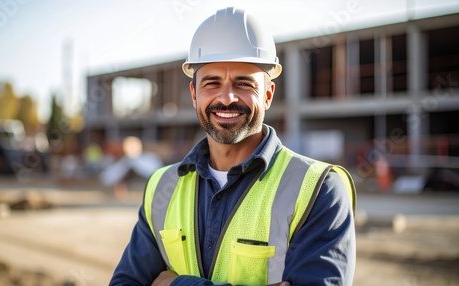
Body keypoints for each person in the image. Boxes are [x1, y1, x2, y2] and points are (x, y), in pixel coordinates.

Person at [110, 7, 356, 286]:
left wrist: (173, 284)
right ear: (194, 94)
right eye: (212, 83)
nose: (226, 98)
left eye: (243, 84)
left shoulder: (319, 189)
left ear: (267, 95)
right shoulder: (161, 187)